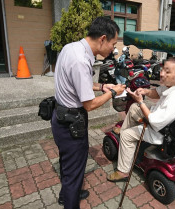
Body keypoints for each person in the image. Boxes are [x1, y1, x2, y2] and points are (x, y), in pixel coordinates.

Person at [51, 16, 125, 209]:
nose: (113, 49)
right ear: (102, 38)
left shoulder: (71, 48)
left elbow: (79, 83)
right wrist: (112, 92)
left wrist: (102, 86)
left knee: (68, 164)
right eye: (112, 43)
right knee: (74, 170)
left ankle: (66, 195)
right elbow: (89, 105)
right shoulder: (81, 60)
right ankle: (70, 201)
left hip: (60, 117)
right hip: (71, 123)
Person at [107, 56, 175, 182]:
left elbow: (154, 121)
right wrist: (145, 91)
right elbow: (158, 92)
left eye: (167, 71)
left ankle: (123, 172)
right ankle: (126, 136)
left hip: (161, 132)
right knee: (134, 107)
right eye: (163, 69)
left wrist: (140, 101)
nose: (161, 73)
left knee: (126, 134)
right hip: (163, 121)